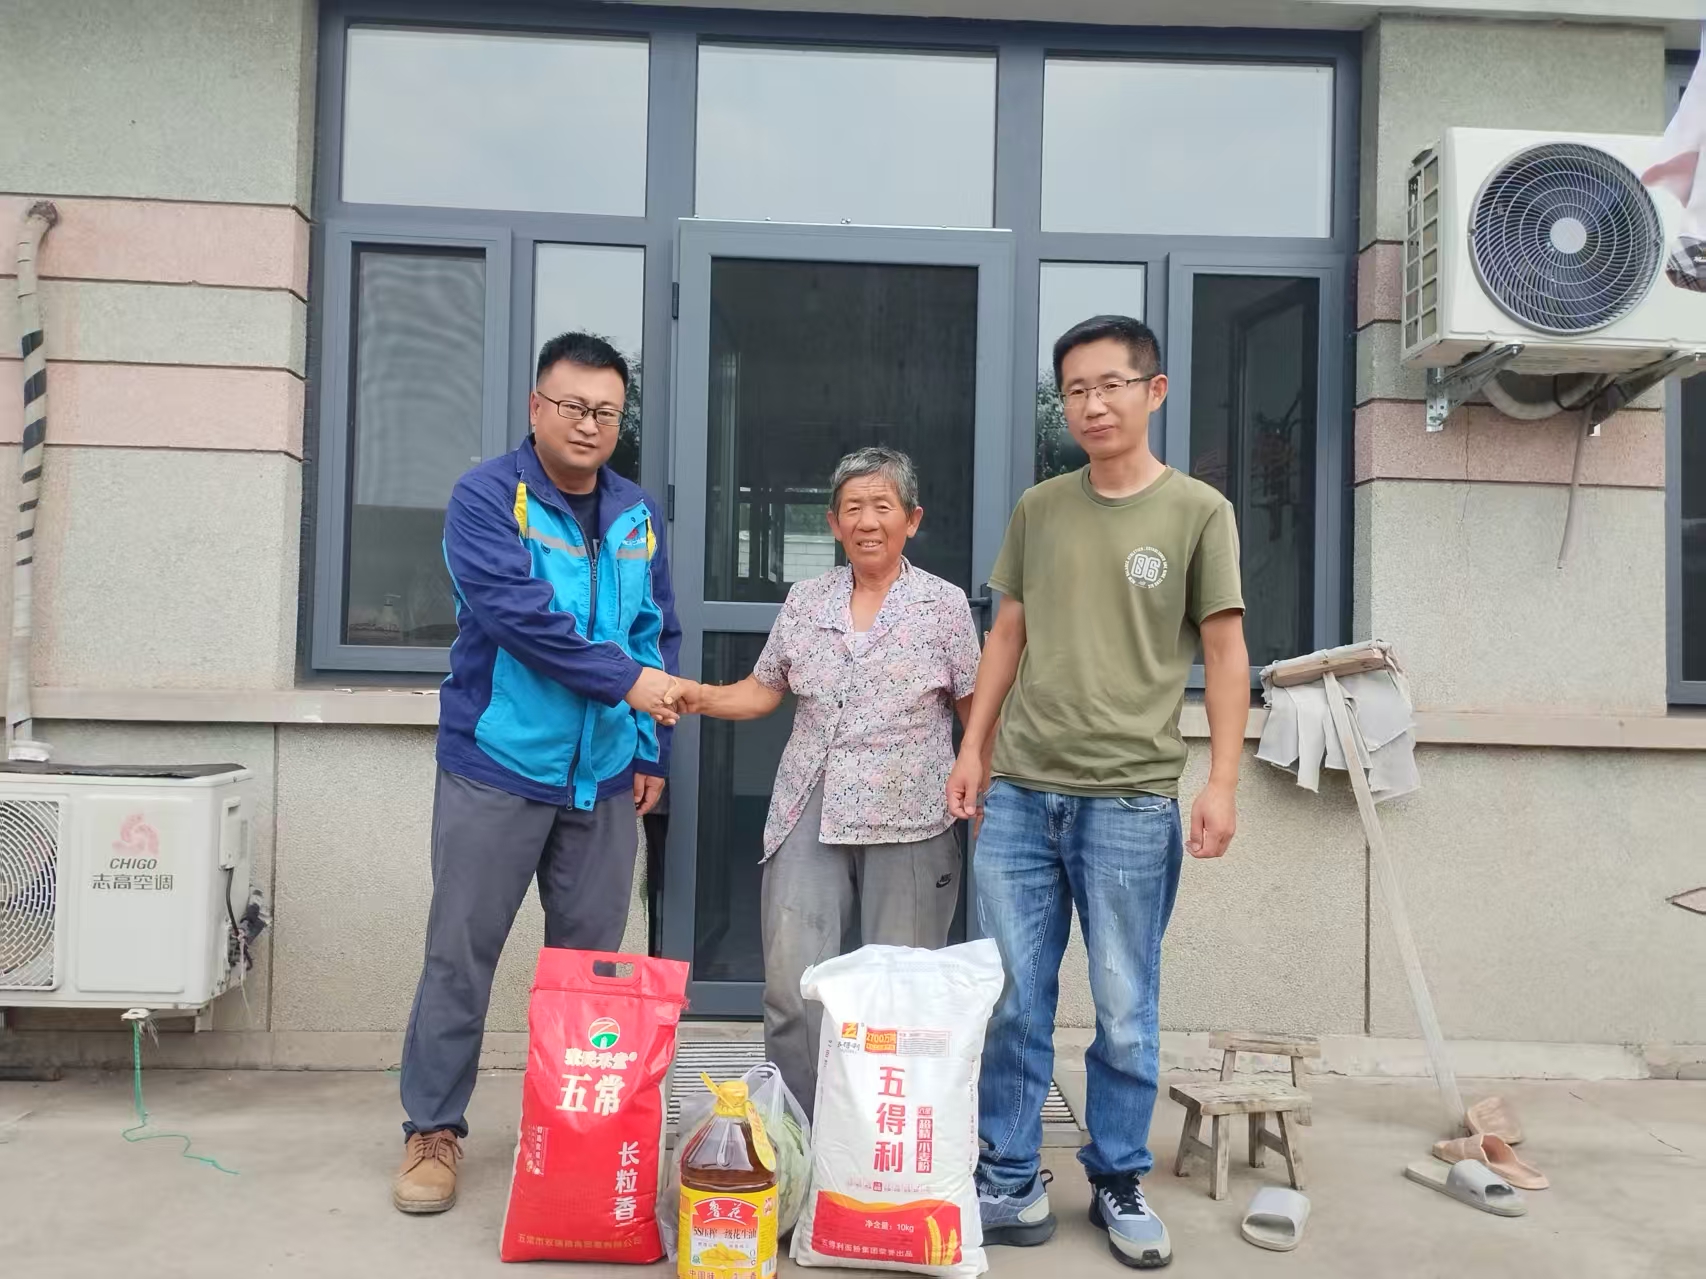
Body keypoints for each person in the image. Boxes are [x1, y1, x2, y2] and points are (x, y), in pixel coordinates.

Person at [946, 316, 1249, 1270]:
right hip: (1021, 794)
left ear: (1153, 391)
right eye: (1075, 389)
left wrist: (1223, 780)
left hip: (1130, 798)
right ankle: (1008, 1173)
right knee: (1012, 998)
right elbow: (1006, 634)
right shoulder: (1041, 507)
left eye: (1111, 384)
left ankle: (1118, 1174)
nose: (1092, 404)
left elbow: (1225, 652)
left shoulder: (1198, 511)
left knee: (1124, 1003)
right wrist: (974, 748)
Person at [393, 331, 682, 1215]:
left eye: (607, 411)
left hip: (604, 777)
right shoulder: (487, 498)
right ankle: (432, 1128)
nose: (589, 424)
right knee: (460, 955)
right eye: (573, 406)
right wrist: (630, 683)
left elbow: (655, 628)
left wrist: (648, 745)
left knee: (589, 971)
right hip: (498, 765)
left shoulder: (634, 511)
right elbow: (522, 619)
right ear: (536, 407)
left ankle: (570, 1135)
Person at [673, 447, 983, 1114]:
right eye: (853, 508)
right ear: (834, 523)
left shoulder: (944, 604)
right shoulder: (806, 599)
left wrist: (983, 783)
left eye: (882, 506)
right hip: (809, 806)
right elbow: (763, 690)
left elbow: (972, 712)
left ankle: (879, 1134)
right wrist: (700, 696)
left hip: (912, 814)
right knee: (793, 986)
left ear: (911, 519)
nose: (867, 521)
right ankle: (798, 1129)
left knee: (897, 990)